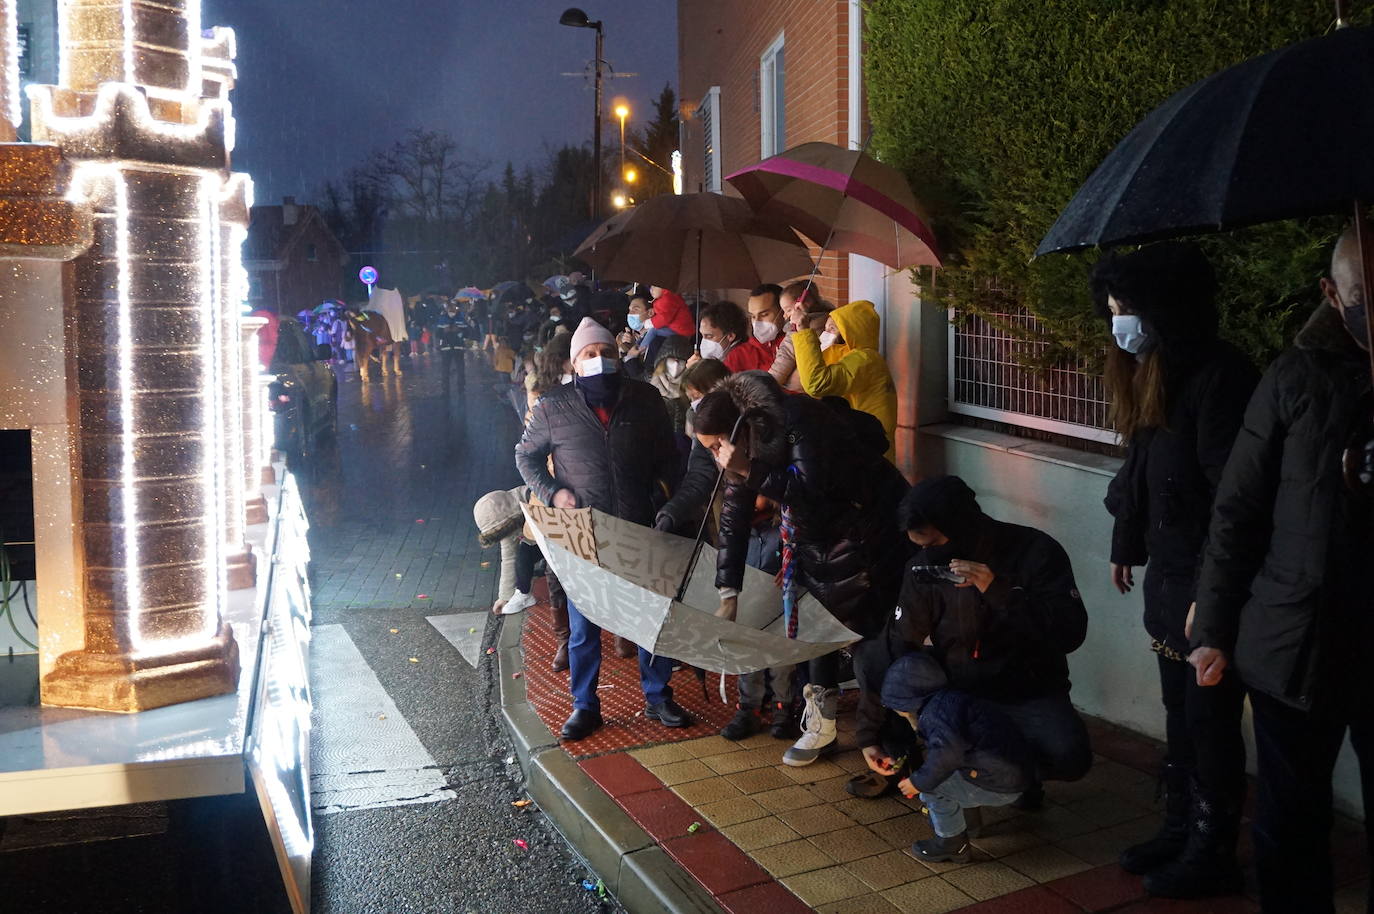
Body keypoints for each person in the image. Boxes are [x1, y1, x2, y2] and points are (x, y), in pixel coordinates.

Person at [1189, 227, 1374, 914]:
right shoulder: (1295, 379)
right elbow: (1237, 510)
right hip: (1297, 644)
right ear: (1332, 293)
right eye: (1363, 294)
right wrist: (1211, 625)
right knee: (1293, 823)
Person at [1094, 242, 1257, 898]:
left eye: (1127, 310)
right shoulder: (1154, 371)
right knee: (1180, 717)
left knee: (1211, 724)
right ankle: (1179, 826)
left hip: (1207, 587)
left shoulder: (1222, 379)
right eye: (1111, 311)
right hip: (1168, 580)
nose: (1118, 326)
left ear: (1169, 310)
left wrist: (1211, 602)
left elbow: (1235, 502)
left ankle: (1212, 847)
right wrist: (1124, 543)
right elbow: (1141, 470)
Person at [695, 371, 908, 765]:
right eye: (708, 449)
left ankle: (890, 737)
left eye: (717, 445)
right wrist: (728, 590)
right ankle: (822, 729)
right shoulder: (749, 443)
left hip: (869, 536)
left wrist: (749, 470)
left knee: (871, 642)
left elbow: (815, 494)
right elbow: (734, 515)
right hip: (816, 543)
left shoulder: (800, 421)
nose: (717, 456)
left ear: (740, 428)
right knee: (815, 633)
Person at [855, 476, 1092, 798]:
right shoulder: (923, 569)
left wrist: (1001, 592)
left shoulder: (1033, 551)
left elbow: (1070, 633)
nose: (928, 554)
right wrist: (870, 736)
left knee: (1070, 756)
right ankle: (955, 774)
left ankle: (1015, 775)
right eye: (919, 546)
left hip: (1027, 688)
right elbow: (894, 647)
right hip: (958, 689)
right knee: (873, 657)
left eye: (934, 545)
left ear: (962, 527)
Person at [515, 317, 690, 740]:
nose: (599, 360)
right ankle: (585, 705)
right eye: (589, 355)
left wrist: (660, 494)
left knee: (650, 616)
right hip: (584, 532)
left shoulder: (645, 399)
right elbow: (526, 456)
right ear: (575, 362)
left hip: (637, 526)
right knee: (583, 626)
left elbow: (671, 456)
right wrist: (554, 493)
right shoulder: (553, 407)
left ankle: (658, 695)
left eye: (606, 353)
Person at [883, 651, 1033, 863]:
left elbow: (946, 754)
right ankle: (970, 827)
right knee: (951, 775)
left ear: (906, 700)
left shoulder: (936, 716)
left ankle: (952, 845)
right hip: (1016, 772)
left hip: (1001, 781)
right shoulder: (952, 700)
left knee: (934, 790)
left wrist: (917, 782)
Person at [793, 300, 898, 459]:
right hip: (859, 447)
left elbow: (816, 383)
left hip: (867, 453)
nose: (825, 333)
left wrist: (803, 330)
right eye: (825, 328)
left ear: (850, 334)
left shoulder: (865, 360)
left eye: (832, 329)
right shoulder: (849, 358)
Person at [770, 282, 833, 393]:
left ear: (806, 302)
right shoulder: (831, 322)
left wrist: (765, 386)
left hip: (798, 394)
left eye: (788, 310)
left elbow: (783, 362)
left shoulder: (795, 332)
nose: (785, 316)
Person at [698, 301, 774, 372]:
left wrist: (699, 373)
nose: (704, 341)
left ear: (730, 336)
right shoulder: (734, 354)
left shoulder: (737, 358)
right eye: (702, 335)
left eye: (709, 336)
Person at [432, 299, 470, 396]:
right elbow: (437, 334)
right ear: (447, 308)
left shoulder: (461, 318)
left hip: (458, 348)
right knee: (445, 370)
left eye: (455, 307)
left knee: (460, 369)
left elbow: (467, 333)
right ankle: (445, 391)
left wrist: (459, 332)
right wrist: (444, 331)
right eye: (451, 307)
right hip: (446, 348)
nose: (452, 309)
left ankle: (461, 389)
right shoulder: (442, 318)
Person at [745, 283, 788, 364]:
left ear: (783, 311)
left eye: (764, 315)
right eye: (753, 316)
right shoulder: (740, 355)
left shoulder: (796, 343)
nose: (757, 322)